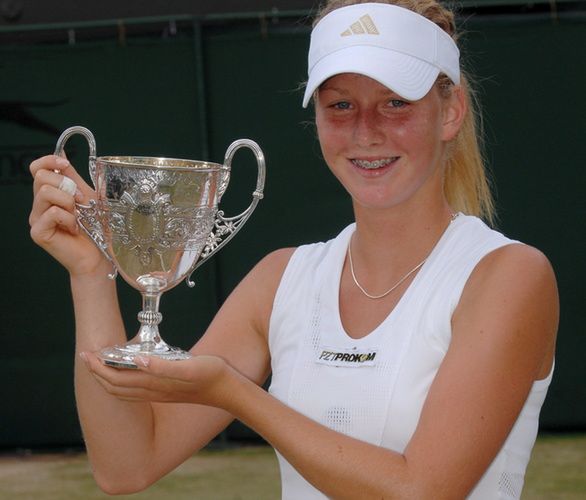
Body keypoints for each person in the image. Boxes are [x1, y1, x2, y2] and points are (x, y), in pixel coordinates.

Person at [29, 0, 558, 498]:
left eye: (396, 103)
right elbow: (125, 464)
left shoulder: (508, 276)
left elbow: (422, 489)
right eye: (341, 105)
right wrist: (91, 271)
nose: (366, 132)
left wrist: (238, 395)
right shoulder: (282, 279)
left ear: (450, 112)